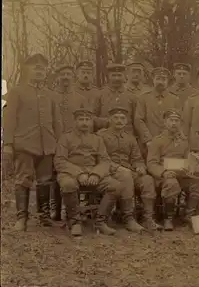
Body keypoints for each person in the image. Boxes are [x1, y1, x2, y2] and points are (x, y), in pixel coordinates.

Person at [3, 53, 62, 231]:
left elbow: (56, 122)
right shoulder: (16, 92)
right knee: (23, 179)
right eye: (35, 68)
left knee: (45, 181)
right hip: (24, 144)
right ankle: (22, 218)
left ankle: (43, 216)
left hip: (47, 146)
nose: (39, 71)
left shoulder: (51, 95)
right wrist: (7, 144)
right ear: (27, 70)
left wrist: (58, 145)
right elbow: (9, 119)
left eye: (42, 69)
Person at [54, 105, 122, 236]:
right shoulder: (65, 138)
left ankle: (101, 221)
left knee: (115, 186)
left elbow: (105, 160)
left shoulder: (97, 139)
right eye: (81, 119)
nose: (85, 122)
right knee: (68, 185)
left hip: (92, 173)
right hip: (70, 173)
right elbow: (60, 161)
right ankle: (75, 221)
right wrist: (79, 174)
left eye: (87, 119)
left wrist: (96, 174)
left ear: (92, 122)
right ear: (75, 122)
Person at [97, 106, 159, 232]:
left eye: (122, 118)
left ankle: (148, 218)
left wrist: (140, 167)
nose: (119, 121)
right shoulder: (101, 136)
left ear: (126, 121)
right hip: (108, 171)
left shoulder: (130, 138)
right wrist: (117, 168)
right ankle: (128, 218)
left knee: (147, 180)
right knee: (126, 176)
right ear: (109, 119)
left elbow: (137, 158)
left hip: (128, 171)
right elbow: (99, 158)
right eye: (115, 118)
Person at [147, 109, 199, 231]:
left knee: (198, 184)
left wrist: (192, 167)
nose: (174, 123)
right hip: (164, 177)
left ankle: (189, 215)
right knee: (171, 184)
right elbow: (151, 163)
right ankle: (168, 218)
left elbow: (187, 160)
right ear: (165, 122)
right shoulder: (157, 141)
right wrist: (163, 172)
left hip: (181, 175)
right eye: (171, 120)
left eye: (177, 121)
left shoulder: (184, 141)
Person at [51, 63, 89, 221]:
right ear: (58, 77)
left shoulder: (80, 98)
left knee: (74, 171)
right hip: (54, 138)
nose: (65, 77)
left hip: (74, 140)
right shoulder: (51, 95)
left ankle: (74, 209)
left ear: (73, 77)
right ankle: (56, 208)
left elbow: (87, 120)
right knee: (55, 174)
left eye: (68, 74)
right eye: (63, 74)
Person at [135, 67, 181, 149]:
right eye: (158, 79)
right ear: (153, 80)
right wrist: (147, 139)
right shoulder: (143, 98)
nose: (160, 82)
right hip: (148, 143)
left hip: (169, 142)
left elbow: (178, 121)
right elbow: (138, 120)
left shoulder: (175, 99)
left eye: (163, 79)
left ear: (167, 81)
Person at [94, 63, 137, 133]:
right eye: (113, 75)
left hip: (126, 137)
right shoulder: (100, 94)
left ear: (124, 77)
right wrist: (106, 122)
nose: (116, 78)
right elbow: (92, 117)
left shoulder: (132, 96)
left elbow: (136, 120)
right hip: (105, 135)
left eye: (119, 75)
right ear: (108, 76)